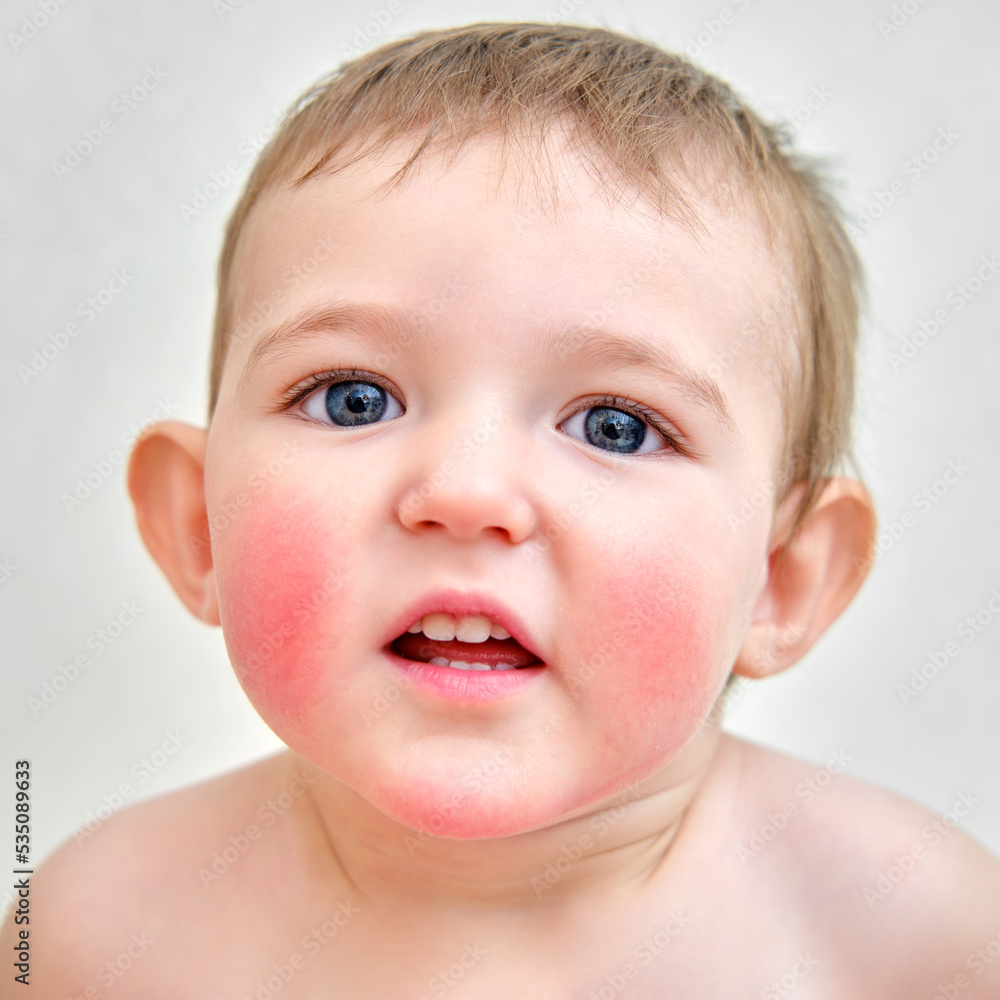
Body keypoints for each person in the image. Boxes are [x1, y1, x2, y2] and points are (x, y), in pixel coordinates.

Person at [6, 21, 1000, 998]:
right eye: (355, 398)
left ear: (781, 579)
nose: (466, 493)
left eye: (615, 424)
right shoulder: (94, 937)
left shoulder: (913, 939)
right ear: (198, 529)